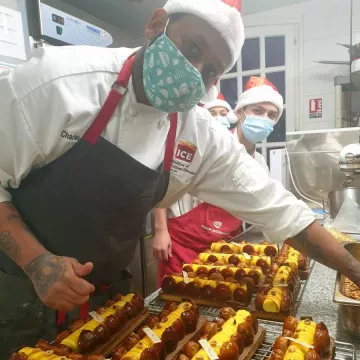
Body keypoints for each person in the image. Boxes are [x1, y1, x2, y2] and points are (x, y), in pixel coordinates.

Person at [0, 0, 359, 356]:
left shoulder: (196, 133)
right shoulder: (58, 82)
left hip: (99, 293)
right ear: (156, 25)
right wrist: (37, 263)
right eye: (191, 48)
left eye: (210, 71)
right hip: (16, 291)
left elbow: (281, 211)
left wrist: (353, 269)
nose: (194, 70)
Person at [153, 77, 283, 284]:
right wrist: (160, 230)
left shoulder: (259, 163)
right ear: (240, 112)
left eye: (272, 115)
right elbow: (165, 183)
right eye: (258, 111)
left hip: (225, 246)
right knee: (177, 304)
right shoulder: (208, 145)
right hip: (184, 243)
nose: (264, 118)